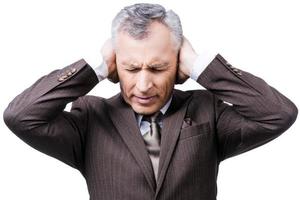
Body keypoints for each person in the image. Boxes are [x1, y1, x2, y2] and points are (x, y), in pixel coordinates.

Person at [3, 3, 298, 200]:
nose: (143, 86)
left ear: (179, 66)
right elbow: (20, 116)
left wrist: (201, 65)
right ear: (116, 66)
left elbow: (279, 114)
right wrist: (94, 67)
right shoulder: (90, 118)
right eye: (131, 68)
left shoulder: (207, 111)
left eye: (158, 68)